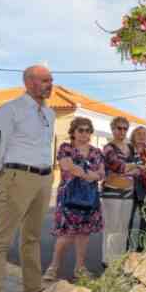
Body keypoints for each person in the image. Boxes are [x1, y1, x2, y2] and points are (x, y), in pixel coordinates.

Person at [0, 65, 55, 292]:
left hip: (44, 177)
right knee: (1, 241)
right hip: (17, 176)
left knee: (32, 238)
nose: (50, 84)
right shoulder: (10, 110)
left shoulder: (50, 113)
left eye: (51, 80)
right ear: (29, 82)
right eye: (45, 80)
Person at [44, 117, 105, 279]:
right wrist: (89, 174)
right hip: (68, 197)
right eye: (81, 130)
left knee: (84, 235)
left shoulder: (96, 152)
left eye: (87, 130)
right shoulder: (66, 148)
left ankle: (80, 268)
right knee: (66, 235)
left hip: (89, 198)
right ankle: (53, 267)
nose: (84, 133)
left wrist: (86, 173)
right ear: (73, 132)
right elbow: (66, 166)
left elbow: (101, 174)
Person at [101, 116, 137, 266]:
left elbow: (139, 169)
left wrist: (134, 167)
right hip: (112, 192)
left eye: (125, 128)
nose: (122, 131)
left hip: (128, 192)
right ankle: (108, 261)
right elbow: (118, 166)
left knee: (123, 227)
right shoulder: (108, 148)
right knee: (111, 227)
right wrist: (133, 166)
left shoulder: (130, 148)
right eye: (119, 128)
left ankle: (119, 260)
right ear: (113, 129)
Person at [126, 125, 146, 250]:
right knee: (127, 221)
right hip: (130, 189)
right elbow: (123, 167)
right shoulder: (127, 149)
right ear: (133, 135)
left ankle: (142, 250)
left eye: (144, 134)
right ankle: (124, 250)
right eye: (138, 133)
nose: (142, 136)